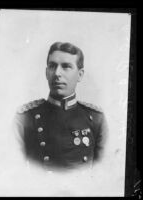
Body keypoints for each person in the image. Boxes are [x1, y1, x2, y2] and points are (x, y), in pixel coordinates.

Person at [14, 42, 108, 170]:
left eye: (66, 66)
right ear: (47, 73)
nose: (57, 73)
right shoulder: (24, 118)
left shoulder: (96, 118)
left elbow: (103, 173)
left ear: (80, 75)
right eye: (52, 66)